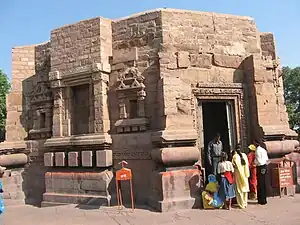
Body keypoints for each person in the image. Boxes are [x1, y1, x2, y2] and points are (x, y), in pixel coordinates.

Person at [232, 144, 250, 209]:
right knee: (245, 188)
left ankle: (241, 204)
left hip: (238, 175)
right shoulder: (244, 155)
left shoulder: (235, 157)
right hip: (245, 174)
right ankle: (245, 203)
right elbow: (247, 165)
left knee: (239, 190)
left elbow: (233, 165)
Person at [254, 139, 269, 205]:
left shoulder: (257, 151)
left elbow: (259, 161)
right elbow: (267, 159)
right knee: (264, 182)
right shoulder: (263, 150)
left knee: (260, 183)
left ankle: (261, 199)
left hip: (260, 167)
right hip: (264, 166)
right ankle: (264, 199)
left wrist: (255, 162)